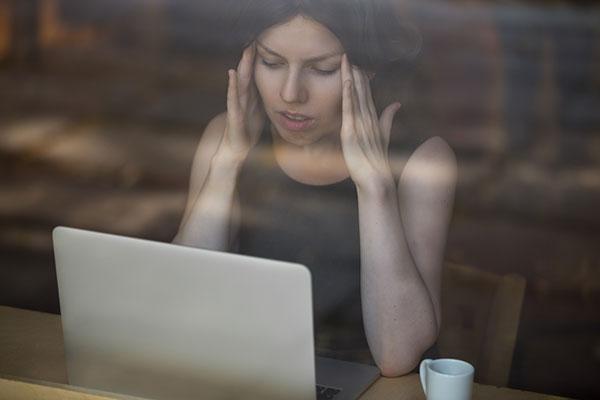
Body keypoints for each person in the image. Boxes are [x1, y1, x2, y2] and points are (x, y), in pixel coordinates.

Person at [173, 0, 457, 377]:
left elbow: (398, 354)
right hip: (250, 380)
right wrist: (225, 167)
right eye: (271, 63)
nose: (291, 94)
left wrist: (374, 188)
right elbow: (177, 311)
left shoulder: (423, 162)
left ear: (366, 68)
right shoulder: (223, 140)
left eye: (321, 69)